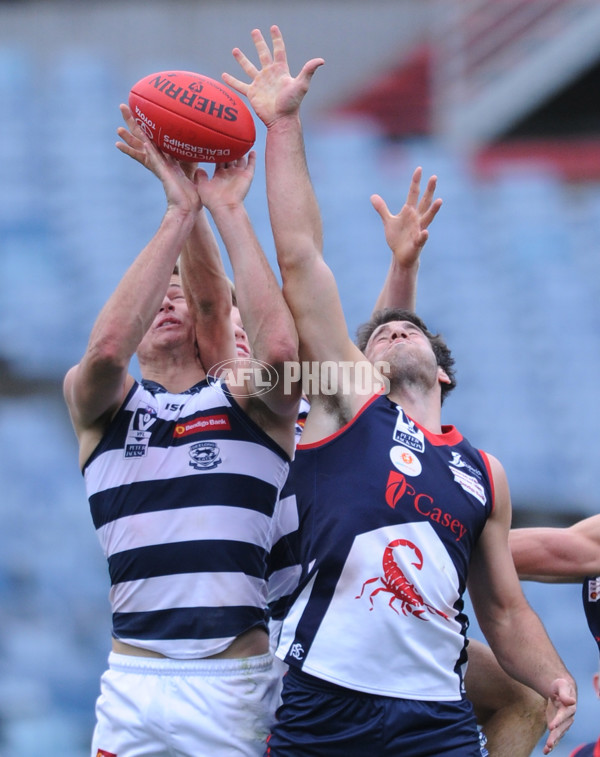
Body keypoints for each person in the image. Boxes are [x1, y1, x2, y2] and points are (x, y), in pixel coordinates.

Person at [223, 25, 577, 757]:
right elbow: (302, 262)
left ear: (443, 371)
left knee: (515, 697)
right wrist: (283, 124)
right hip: (324, 703)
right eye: (379, 337)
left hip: (433, 720)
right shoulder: (349, 403)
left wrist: (556, 677)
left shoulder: (482, 471)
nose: (393, 333)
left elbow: (504, 607)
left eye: (409, 331)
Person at [63, 105, 300, 757]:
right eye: (153, 291)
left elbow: (279, 355)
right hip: (134, 685)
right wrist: (176, 212)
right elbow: (107, 350)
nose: (167, 298)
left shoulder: (246, 401)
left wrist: (222, 209)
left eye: (180, 291)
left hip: (232, 683)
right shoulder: (98, 402)